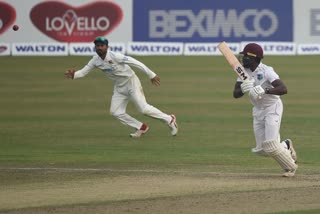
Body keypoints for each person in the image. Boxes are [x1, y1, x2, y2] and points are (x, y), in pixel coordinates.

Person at [65, 36, 178, 138]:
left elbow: (136, 62)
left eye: (101, 46)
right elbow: (83, 72)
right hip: (119, 87)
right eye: (97, 46)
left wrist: (151, 74)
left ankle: (169, 119)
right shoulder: (95, 60)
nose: (99, 48)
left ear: (107, 47)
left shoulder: (115, 56)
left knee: (143, 109)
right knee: (116, 112)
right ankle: (141, 127)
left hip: (131, 83)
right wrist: (74, 75)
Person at [233, 43, 298, 177]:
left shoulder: (267, 71)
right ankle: (286, 145)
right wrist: (243, 89)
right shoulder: (243, 72)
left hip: (272, 108)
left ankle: (290, 167)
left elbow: (283, 89)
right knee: (262, 150)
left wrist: (265, 90)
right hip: (258, 110)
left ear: (255, 58)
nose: (243, 58)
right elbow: (235, 93)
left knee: (271, 145)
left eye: (246, 56)